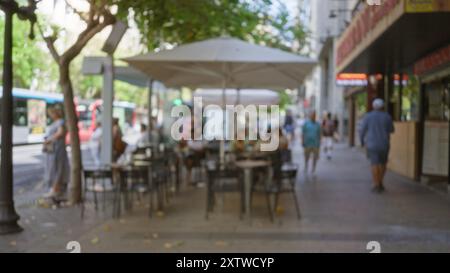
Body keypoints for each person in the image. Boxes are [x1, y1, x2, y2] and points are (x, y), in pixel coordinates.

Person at [360, 98, 395, 193]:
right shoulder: (387, 117)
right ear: (382, 106)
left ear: (373, 106)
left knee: (374, 163)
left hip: (372, 144)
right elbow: (392, 130)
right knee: (383, 163)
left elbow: (362, 130)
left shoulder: (368, 116)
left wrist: (362, 141)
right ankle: (380, 182)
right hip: (384, 143)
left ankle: (376, 184)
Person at [43, 107, 70, 199]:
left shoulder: (60, 122)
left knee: (57, 168)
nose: (50, 115)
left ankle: (55, 189)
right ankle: (55, 189)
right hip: (53, 150)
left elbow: (60, 132)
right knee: (53, 168)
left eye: (51, 113)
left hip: (57, 150)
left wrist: (50, 139)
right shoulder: (57, 122)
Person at [302, 111, 321, 176]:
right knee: (306, 156)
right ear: (310, 116)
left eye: (314, 115)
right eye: (312, 115)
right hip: (307, 143)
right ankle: (306, 166)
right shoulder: (306, 124)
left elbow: (320, 134)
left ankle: (313, 168)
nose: (313, 116)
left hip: (315, 143)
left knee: (315, 157)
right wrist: (302, 141)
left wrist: (320, 142)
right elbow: (303, 133)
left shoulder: (318, 124)